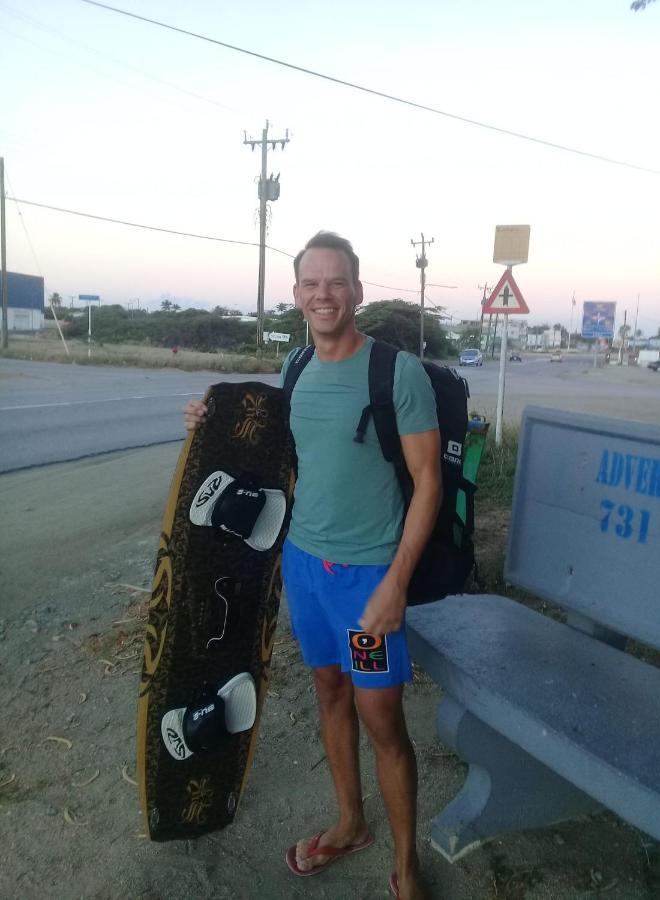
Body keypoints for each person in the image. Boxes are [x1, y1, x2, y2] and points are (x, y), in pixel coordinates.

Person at [184, 232, 440, 900]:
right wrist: (207, 420)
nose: (322, 294)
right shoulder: (296, 368)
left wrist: (394, 584)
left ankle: (406, 863)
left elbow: (426, 481)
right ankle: (351, 821)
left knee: (381, 721)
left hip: (364, 584)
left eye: (336, 282)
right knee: (329, 691)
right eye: (309, 284)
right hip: (304, 569)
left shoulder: (394, 372)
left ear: (356, 291)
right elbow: (265, 453)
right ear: (296, 295)